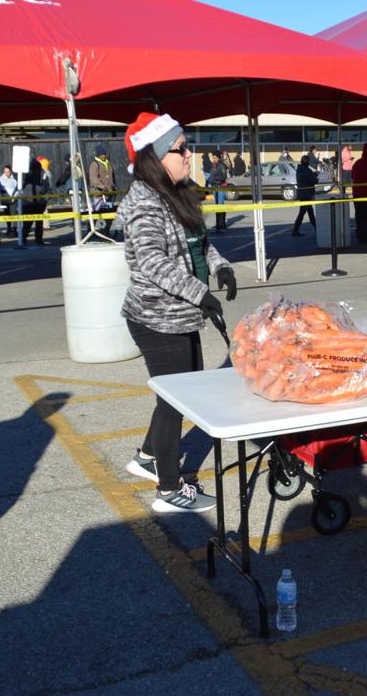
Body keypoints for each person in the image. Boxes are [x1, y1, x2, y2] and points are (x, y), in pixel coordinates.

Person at [116, 112, 237, 514]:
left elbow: (196, 244)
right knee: (176, 401)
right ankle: (169, 488)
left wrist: (221, 267)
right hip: (157, 318)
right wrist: (199, 294)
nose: (190, 154)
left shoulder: (177, 192)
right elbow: (152, 262)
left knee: (180, 393)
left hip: (182, 313)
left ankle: (149, 456)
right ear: (155, 156)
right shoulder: (145, 203)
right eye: (181, 148)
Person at [16, 162, 48, 248]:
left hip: (28, 202)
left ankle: (24, 239)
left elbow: (22, 187)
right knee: (38, 223)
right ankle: (38, 240)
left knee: (28, 223)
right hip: (37, 202)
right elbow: (45, 188)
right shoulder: (43, 175)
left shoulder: (26, 175)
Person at [291, 154, 318, 236]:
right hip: (307, 194)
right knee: (304, 213)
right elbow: (315, 181)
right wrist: (315, 176)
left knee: (308, 212)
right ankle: (295, 230)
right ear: (308, 162)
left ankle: (316, 228)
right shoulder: (307, 170)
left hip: (302, 194)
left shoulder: (299, 170)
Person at [206, 149, 229, 232]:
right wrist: (209, 180)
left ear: (219, 157)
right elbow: (211, 174)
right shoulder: (214, 165)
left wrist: (215, 180)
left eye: (215, 157)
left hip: (220, 187)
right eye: (213, 157)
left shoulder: (222, 165)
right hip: (215, 187)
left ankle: (222, 224)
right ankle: (218, 224)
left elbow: (223, 177)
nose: (214, 159)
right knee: (217, 206)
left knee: (220, 205)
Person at [0, 165, 19, 232]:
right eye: (5, 172)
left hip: (13, 200)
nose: (7, 173)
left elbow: (18, 188)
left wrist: (15, 195)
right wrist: (3, 190)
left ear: (11, 172)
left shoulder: (15, 179)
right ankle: (9, 228)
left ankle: (14, 229)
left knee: (14, 214)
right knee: (7, 214)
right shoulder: (0, 179)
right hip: (5, 199)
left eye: (8, 172)